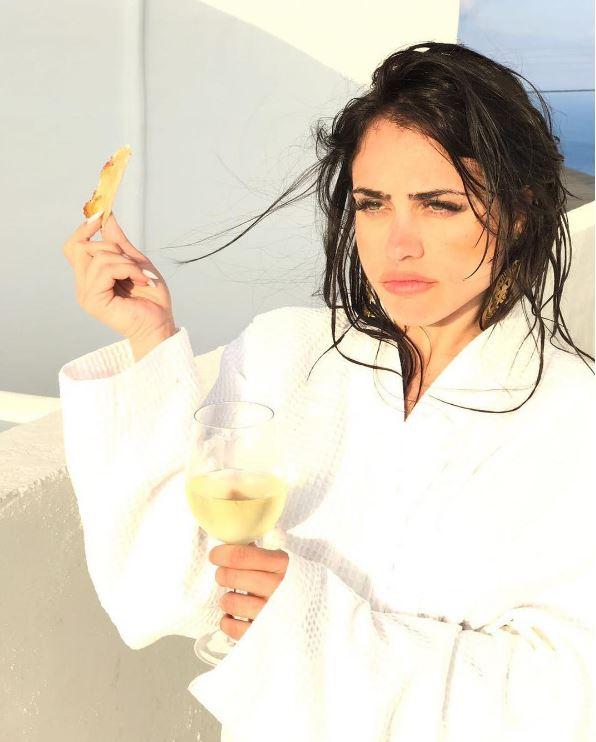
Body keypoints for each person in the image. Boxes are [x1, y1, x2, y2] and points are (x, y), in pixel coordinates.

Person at [59, 41, 595, 742]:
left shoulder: (573, 419)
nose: (398, 244)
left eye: (439, 205)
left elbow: (566, 700)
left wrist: (307, 622)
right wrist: (149, 338)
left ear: (520, 212)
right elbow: (162, 587)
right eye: (373, 204)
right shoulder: (285, 356)